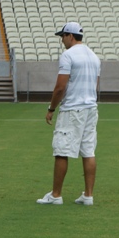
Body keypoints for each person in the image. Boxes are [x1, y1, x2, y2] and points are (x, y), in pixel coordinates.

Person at [37, 22, 101, 207]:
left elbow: (60, 87)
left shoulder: (68, 55)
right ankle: (88, 195)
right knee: (88, 151)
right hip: (91, 108)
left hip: (73, 109)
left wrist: (51, 109)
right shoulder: (94, 57)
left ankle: (56, 195)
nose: (62, 40)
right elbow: (95, 85)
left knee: (61, 150)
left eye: (63, 36)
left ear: (70, 36)